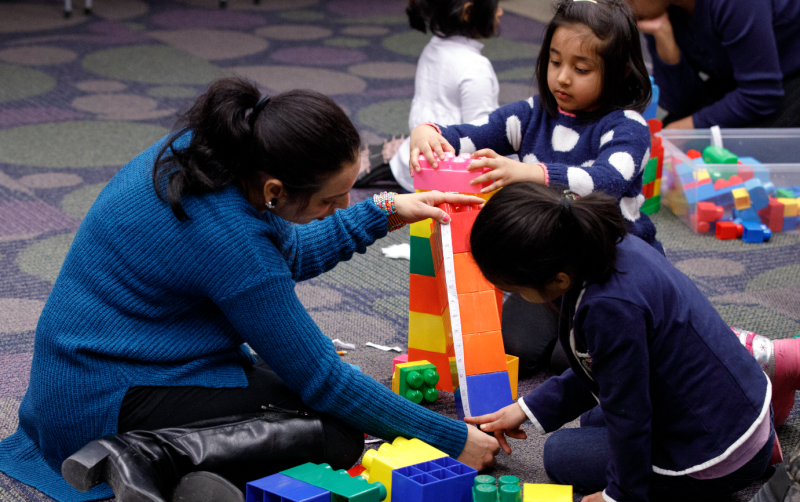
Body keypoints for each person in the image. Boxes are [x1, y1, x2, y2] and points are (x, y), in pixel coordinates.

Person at [0, 78, 499, 502]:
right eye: (332, 199)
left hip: (87, 372)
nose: (345, 204)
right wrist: (452, 440)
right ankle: (148, 454)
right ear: (275, 192)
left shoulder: (215, 148)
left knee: (312, 392)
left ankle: (175, 461)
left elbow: (285, 255)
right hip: (101, 403)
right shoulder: (230, 237)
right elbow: (321, 379)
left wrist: (384, 211)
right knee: (337, 428)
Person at [464, 182, 777, 502]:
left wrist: (619, 495)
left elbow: (630, 414)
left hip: (722, 454)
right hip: (739, 408)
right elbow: (601, 366)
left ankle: (726, 472)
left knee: (562, 455)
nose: (513, 296)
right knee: (593, 416)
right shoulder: (603, 245)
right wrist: (527, 408)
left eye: (513, 288)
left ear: (559, 279)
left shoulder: (609, 308)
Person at [408, 0, 658, 376]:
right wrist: (430, 132)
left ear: (620, 72)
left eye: (581, 68)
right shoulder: (532, 113)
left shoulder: (628, 126)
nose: (562, 78)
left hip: (608, 272)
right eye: (555, 62)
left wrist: (532, 174)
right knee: (516, 347)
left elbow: (605, 182)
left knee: (572, 361)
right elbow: (474, 135)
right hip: (548, 271)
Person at [354, 0, 503, 191]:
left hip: (418, 156)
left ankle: (398, 159)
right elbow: (481, 134)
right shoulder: (476, 67)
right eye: (495, 6)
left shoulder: (433, 47)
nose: (500, 12)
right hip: (448, 176)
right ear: (468, 12)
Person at [628, 0, 800, 129]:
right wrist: (663, 37)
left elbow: (761, 95)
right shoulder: (657, 12)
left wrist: (682, 130)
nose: (622, 8)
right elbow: (681, 105)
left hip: (786, 79)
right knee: (675, 129)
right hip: (738, 81)